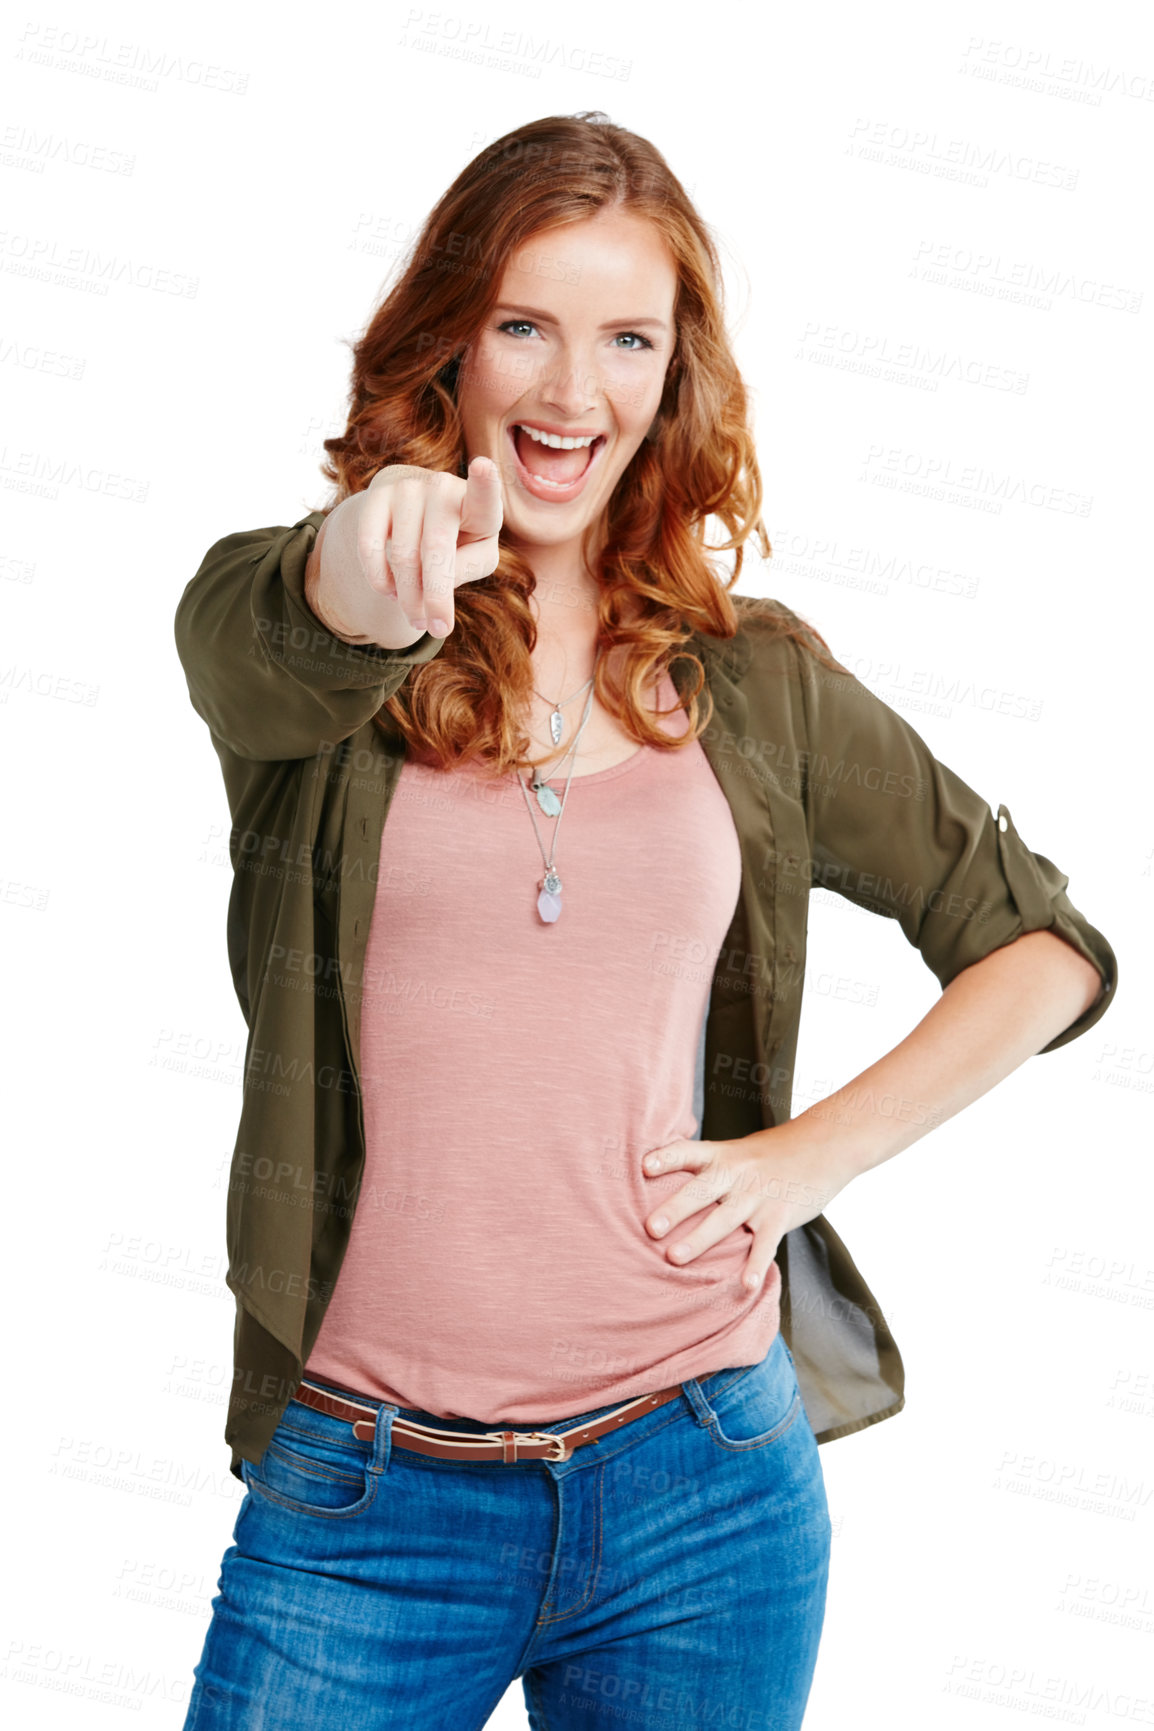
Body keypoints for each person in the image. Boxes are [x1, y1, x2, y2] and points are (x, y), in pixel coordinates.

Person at [175, 113, 1117, 1731]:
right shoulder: (313, 645)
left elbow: (1040, 945)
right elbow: (267, 638)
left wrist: (801, 1160)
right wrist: (362, 581)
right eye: (524, 326)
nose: (568, 391)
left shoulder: (753, 687)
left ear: (672, 377)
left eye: (626, 338)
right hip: (365, 1505)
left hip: (706, 1486)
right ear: (451, 346)